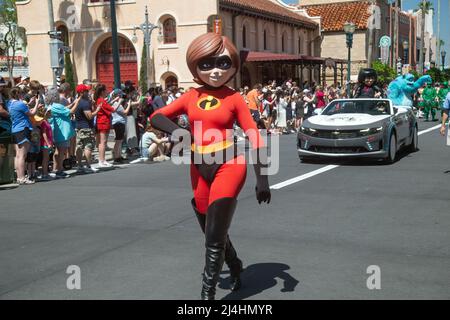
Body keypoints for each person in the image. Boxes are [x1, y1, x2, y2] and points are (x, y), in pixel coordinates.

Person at [150, 32, 271, 300]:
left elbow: (254, 134)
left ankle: (208, 295)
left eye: (223, 63)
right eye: (207, 64)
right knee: (211, 228)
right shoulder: (190, 96)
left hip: (229, 163)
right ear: (195, 65)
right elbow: (156, 116)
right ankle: (235, 265)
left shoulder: (236, 98)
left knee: (213, 237)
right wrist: (179, 133)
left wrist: (262, 178)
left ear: (233, 65)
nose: (216, 71)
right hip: (198, 166)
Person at [7, 87, 40, 184]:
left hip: (15, 129)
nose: (23, 95)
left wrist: (29, 103)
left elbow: (22, 110)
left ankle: (19, 176)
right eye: (21, 93)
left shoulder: (10, 103)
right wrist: (37, 103)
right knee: (22, 155)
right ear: (18, 94)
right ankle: (21, 177)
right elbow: (32, 113)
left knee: (17, 155)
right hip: (23, 129)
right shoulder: (20, 104)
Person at [47, 88, 80, 178]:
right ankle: (60, 169)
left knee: (57, 151)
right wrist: (77, 102)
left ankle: (55, 169)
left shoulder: (51, 105)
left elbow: (64, 109)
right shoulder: (57, 105)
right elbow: (70, 112)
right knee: (62, 152)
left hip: (56, 131)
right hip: (62, 132)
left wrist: (73, 103)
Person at [74, 84, 100, 173]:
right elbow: (89, 116)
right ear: (82, 92)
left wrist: (92, 104)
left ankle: (79, 165)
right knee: (88, 146)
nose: (88, 92)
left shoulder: (77, 101)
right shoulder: (84, 103)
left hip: (78, 127)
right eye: (86, 91)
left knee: (79, 147)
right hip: (86, 128)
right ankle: (88, 166)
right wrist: (97, 110)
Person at [94, 84, 120, 167]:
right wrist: (119, 101)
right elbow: (112, 109)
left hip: (103, 122)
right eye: (105, 90)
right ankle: (102, 160)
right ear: (102, 91)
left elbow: (107, 105)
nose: (107, 92)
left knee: (102, 142)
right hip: (103, 123)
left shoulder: (100, 100)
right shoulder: (101, 100)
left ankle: (102, 160)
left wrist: (113, 100)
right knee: (103, 142)